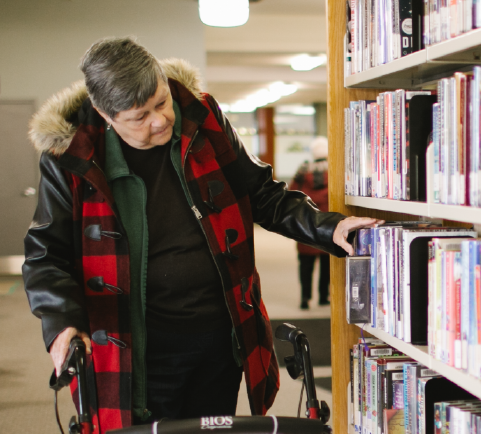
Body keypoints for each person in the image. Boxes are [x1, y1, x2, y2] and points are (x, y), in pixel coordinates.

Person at [22, 37, 380, 431]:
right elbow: (46, 255)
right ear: (106, 115)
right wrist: (61, 323)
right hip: (134, 352)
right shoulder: (71, 157)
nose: (160, 120)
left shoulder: (201, 116)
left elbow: (261, 195)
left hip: (218, 342)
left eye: (161, 102)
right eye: (140, 117)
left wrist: (328, 226)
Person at [291, 137, 331, 310]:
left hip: (306, 223)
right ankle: (323, 296)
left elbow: (291, 193)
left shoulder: (302, 171)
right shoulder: (334, 171)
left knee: (305, 264)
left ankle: (305, 298)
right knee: (326, 263)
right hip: (327, 224)